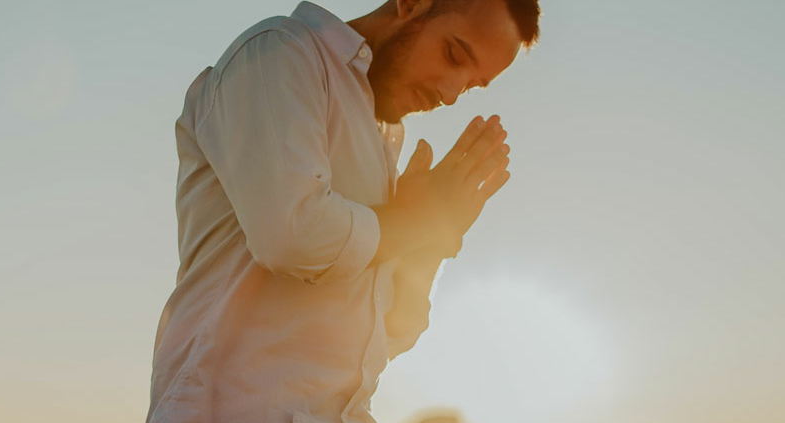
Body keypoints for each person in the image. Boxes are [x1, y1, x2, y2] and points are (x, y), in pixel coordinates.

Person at [149, 1, 540, 421]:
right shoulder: (280, 53)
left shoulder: (383, 135)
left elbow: (384, 334)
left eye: (469, 86)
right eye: (454, 55)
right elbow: (292, 235)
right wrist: (412, 224)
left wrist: (432, 241)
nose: (449, 94)